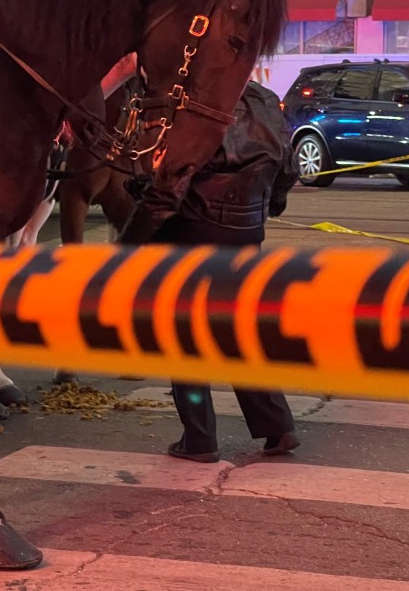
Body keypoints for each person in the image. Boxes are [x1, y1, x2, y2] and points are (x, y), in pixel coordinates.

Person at [123, 82, 302, 462]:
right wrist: (270, 204)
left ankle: (199, 438)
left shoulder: (188, 101)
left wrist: (127, 243)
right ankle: (277, 426)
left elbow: (168, 187)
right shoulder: (265, 97)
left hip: (194, 229)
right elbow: (287, 166)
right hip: (247, 228)